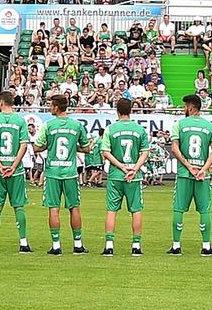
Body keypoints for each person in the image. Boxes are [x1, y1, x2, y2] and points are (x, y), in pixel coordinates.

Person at [32, 93, 91, 255]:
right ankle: (78, 244)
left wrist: (48, 146)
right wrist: (74, 148)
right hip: (70, 172)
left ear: (57, 107)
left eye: (51, 105)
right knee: (74, 207)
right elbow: (86, 148)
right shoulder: (76, 125)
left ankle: (56, 245)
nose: (50, 107)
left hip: (52, 172)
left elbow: (37, 147)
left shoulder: (48, 125)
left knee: (53, 208)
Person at [170, 93, 212, 255]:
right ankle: (206, 246)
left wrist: (188, 165)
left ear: (191, 107)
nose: (184, 109)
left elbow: (174, 148)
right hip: (202, 175)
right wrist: (204, 168)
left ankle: (176, 246)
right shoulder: (210, 126)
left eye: (185, 106)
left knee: (179, 209)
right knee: (204, 210)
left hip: (185, 173)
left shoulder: (180, 124)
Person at [97, 97, 148, 256]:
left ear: (117, 111)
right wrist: (134, 169)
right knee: (136, 210)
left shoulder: (110, 129)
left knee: (112, 210)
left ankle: (109, 245)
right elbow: (144, 152)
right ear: (131, 110)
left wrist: (121, 166)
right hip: (134, 176)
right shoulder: (139, 129)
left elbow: (105, 152)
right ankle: (136, 246)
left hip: (116, 175)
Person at [0, 92, 32, 253]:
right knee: (18, 206)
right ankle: (23, 243)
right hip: (16, 171)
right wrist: (13, 165)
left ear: (0, 102)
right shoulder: (20, 120)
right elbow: (24, 145)